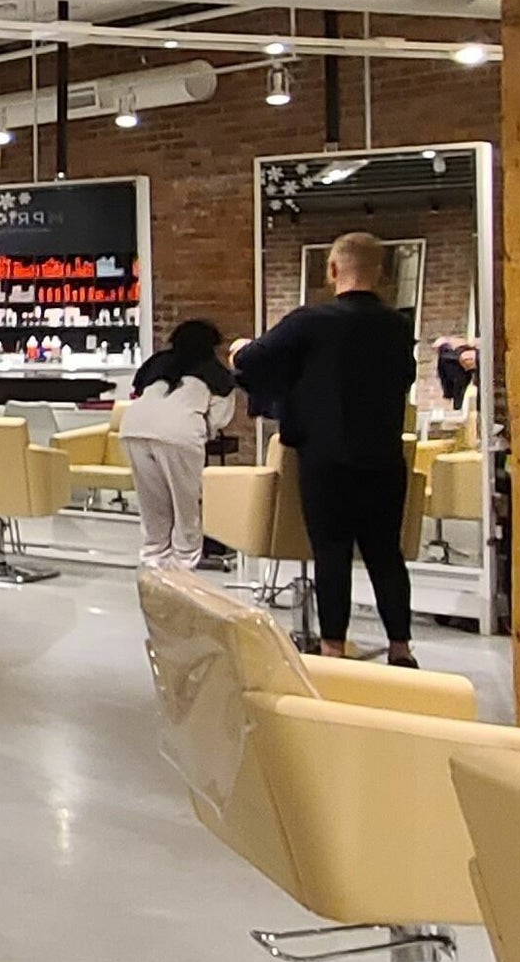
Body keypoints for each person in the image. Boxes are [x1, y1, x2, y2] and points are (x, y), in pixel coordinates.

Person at [233, 230, 421, 662]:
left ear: (333, 270)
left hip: (326, 457)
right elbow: (405, 379)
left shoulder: (309, 322)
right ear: (382, 275)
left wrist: (241, 348)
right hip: (383, 457)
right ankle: (401, 647)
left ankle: (333, 647)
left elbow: (250, 361)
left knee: (331, 551)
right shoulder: (397, 327)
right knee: (385, 554)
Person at [119, 319, 235, 570]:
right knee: (186, 506)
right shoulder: (217, 373)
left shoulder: (157, 363)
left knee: (152, 506)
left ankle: (153, 560)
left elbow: (138, 392)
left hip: (133, 427)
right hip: (179, 433)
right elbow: (217, 419)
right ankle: (184, 565)